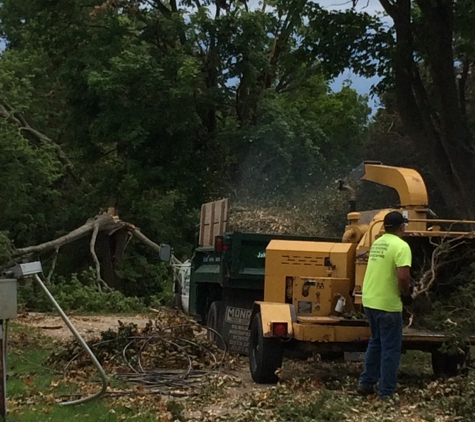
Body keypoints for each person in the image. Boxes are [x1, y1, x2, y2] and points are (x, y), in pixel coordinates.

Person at [357, 211, 412, 399]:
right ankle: (386, 393)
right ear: (401, 227)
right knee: (391, 348)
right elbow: (403, 277)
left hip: (370, 300)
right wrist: (406, 293)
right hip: (388, 304)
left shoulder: (377, 243)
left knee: (376, 342)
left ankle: (365, 383)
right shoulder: (401, 246)